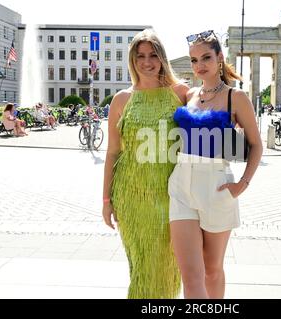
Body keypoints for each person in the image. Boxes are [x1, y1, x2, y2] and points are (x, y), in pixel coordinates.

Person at [168, 30, 263, 299]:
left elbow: (256, 144)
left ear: (220, 58)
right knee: (190, 273)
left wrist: (241, 185)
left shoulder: (237, 97)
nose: (200, 66)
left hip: (216, 185)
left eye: (206, 58)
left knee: (211, 270)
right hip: (180, 186)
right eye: (194, 60)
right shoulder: (189, 94)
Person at [101, 29, 188, 299]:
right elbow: (113, 152)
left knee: (168, 267)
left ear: (162, 58)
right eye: (140, 56)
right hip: (132, 196)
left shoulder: (181, 93)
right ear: (132, 59)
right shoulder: (122, 100)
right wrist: (106, 200)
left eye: (153, 55)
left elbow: (214, 108)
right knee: (142, 268)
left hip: (173, 196)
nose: (147, 61)